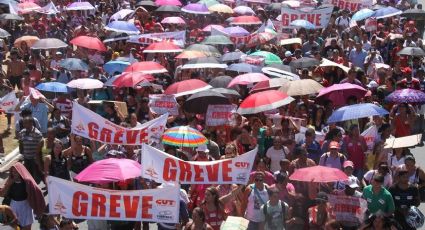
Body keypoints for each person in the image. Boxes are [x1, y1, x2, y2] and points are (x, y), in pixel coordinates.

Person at [0, 163, 45, 230]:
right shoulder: (10, 181)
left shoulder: (27, 182)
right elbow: (2, 194)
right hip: (13, 206)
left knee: (27, 228)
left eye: (16, 172)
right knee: (16, 227)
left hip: (26, 207)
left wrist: (38, 208)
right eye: (12, 172)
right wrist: (8, 184)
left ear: (20, 172)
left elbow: (37, 192)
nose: (14, 173)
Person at [18, 116, 43, 183]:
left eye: (26, 123)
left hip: (34, 159)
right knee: (27, 176)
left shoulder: (37, 134)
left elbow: (41, 147)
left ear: (31, 123)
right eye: (24, 123)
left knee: (36, 177)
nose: (24, 125)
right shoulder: (22, 132)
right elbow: (20, 142)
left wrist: (38, 159)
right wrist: (21, 154)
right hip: (26, 158)